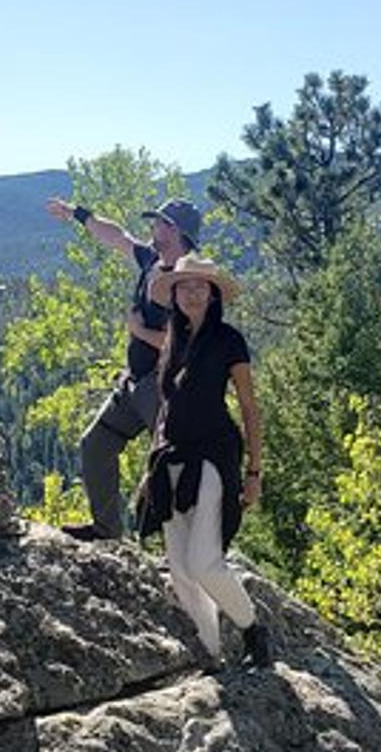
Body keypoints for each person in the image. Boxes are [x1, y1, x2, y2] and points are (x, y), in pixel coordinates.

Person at [138, 254, 272, 672]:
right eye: (184, 285)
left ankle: (254, 632)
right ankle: (211, 654)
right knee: (179, 568)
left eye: (201, 286)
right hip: (171, 458)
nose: (192, 292)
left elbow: (249, 407)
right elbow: (166, 408)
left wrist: (254, 472)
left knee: (204, 561)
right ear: (174, 294)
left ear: (213, 295)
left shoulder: (229, 340)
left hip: (214, 455)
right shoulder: (173, 340)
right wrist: (149, 467)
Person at [42, 195, 201, 540]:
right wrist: (75, 213)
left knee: (170, 471)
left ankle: (186, 552)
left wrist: (138, 330)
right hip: (136, 384)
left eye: (158, 222)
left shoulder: (190, 281)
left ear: (174, 230)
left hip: (166, 389)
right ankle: (106, 529)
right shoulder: (150, 261)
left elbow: (183, 346)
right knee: (96, 444)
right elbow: (117, 237)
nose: (152, 227)